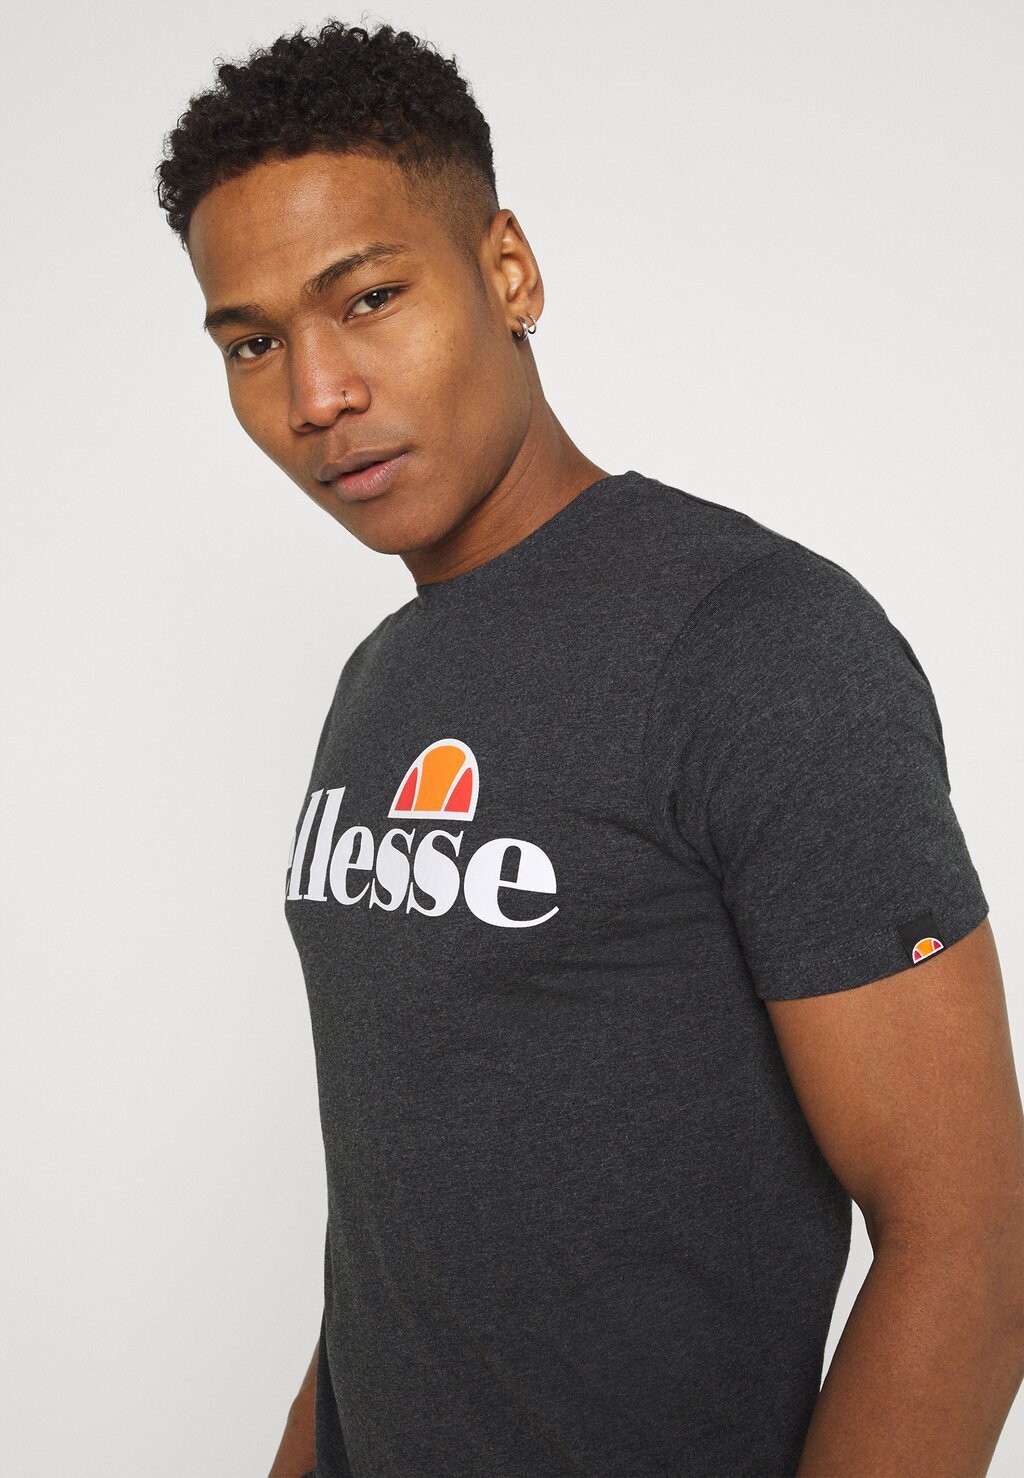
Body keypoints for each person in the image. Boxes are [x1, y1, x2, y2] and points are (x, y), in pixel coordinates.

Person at [155, 19, 1023, 1478]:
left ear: (509, 271)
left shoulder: (758, 641)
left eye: (367, 298)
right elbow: (399, 1231)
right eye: (253, 344)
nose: (315, 396)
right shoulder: (381, 678)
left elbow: (975, 1248)